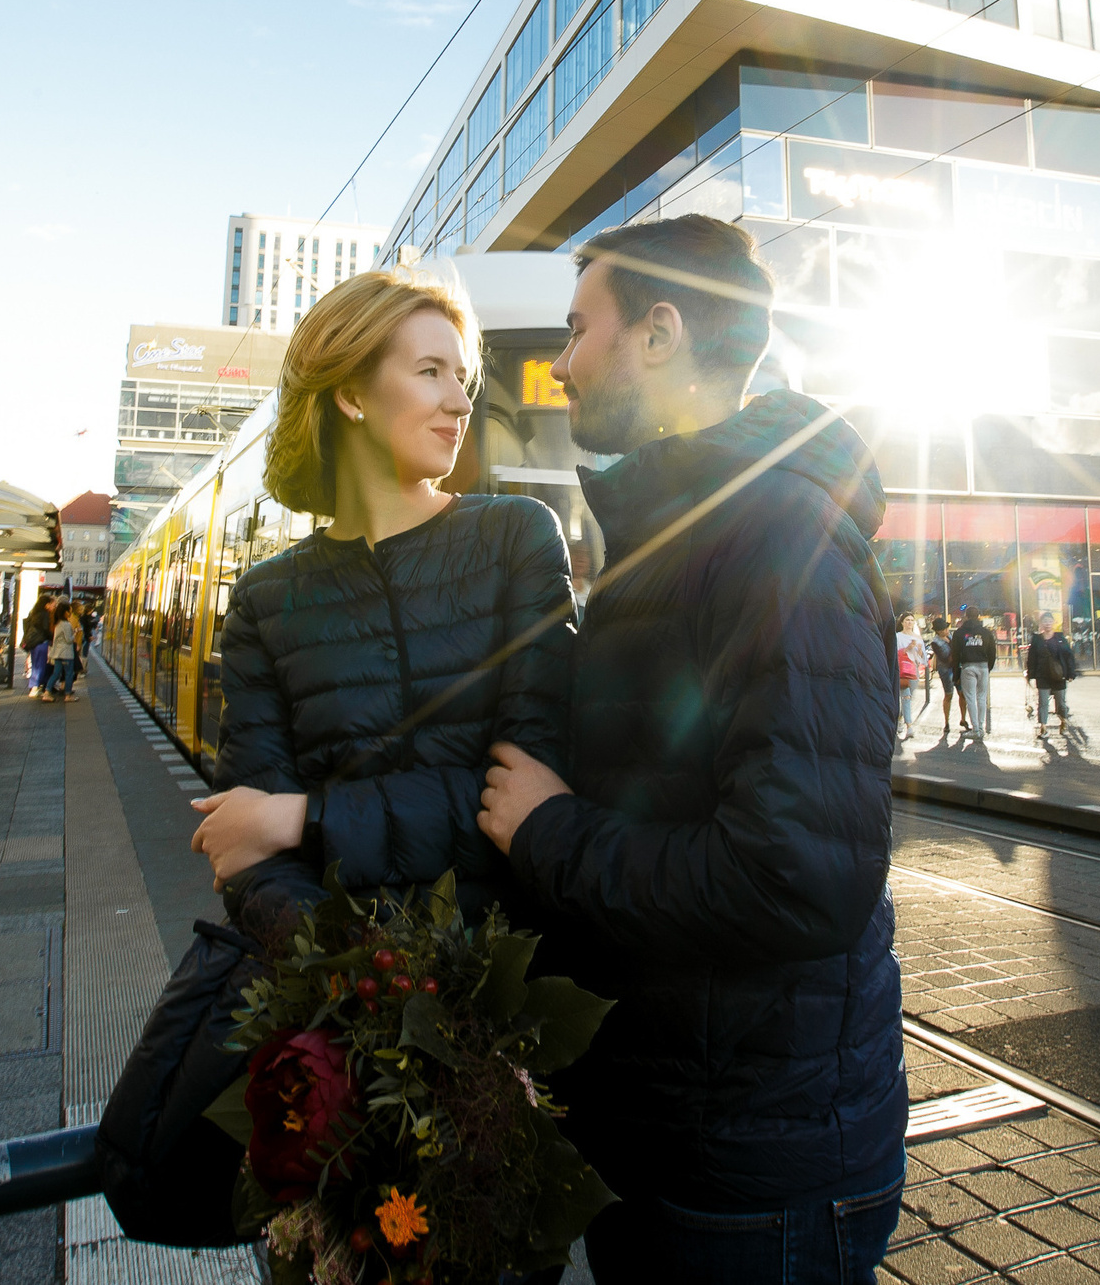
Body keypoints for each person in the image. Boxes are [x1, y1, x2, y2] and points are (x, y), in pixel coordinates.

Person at [477, 215, 904, 1283]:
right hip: (679, 1133)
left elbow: (793, 879)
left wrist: (550, 832)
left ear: (659, 334)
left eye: (578, 330)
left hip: (749, 1175)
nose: (561, 364)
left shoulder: (777, 537)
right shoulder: (684, 529)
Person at [185, 267, 573, 959]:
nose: (461, 401)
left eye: (462, 377)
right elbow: (247, 851)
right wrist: (360, 977)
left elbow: (527, 801)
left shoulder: (517, 537)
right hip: (342, 994)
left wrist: (301, 816)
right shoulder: (263, 601)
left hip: (516, 975)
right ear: (350, 394)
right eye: (430, 372)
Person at [950, 604, 998, 738]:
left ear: (966, 617)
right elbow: (992, 652)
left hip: (968, 666)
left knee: (970, 697)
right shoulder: (986, 633)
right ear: (978, 616)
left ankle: (975, 729)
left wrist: (956, 675)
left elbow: (955, 655)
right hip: (983, 666)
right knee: (981, 697)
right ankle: (981, 728)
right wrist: (988, 667)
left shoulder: (959, 633)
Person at [1024, 610, 1076, 730]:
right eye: (1045, 621)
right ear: (1041, 623)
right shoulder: (1037, 640)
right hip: (1042, 675)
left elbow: (1068, 656)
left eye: (1049, 621)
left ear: (1053, 622)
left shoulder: (1060, 638)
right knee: (1043, 702)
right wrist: (1030, 674)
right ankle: (1043, 727)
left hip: (1058, 675)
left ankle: (1063, 720)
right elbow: (1031, 658)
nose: (1047, 623)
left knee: (1060, 702)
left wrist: (1070, 673)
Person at [895, 613, 927, 740]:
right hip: (902, 671)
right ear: (902, 622)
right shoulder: (898, 637)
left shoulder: (918, 638)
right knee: (906, 697)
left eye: (912, 620)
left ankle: (900, 718)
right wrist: (908, 648)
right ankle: (909, 726)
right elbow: (895, 654)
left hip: (913, 670)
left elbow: (922, 658)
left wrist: (919, 650)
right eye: (907, 620)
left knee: (908, 697)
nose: (909, 622)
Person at [46, 604, 82, 701]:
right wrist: (75, 633)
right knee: (69, 674)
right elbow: (69, 640)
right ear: (65, 612)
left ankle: (47, 692)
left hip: (57, 653)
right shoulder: (66, 624)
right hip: (66, 653)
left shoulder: (58, 623)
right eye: (69, 611)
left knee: (56, 673)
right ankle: (68, 695)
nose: (70, 613)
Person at [929, 615, 958, 736]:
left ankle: (963, 719)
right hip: (946, 670)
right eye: (944, 629)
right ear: (939, 631)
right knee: (948, 694)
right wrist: (952, 646)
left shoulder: (951, 636)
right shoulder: (935, 642)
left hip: (955, 668)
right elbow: (945, 658)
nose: (947, 631)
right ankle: (947, 721)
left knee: (962, 693)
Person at [22, 594, 54, 696]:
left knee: (35, 665)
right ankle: (35, 687)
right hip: (41, 642)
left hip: (33, 642)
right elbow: (45, 629)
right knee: (40, 666)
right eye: (51, 604)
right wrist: (52, 636)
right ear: (46, 604)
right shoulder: (44, 614)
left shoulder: (33, 613)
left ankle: (33, 687)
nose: (52, 606)